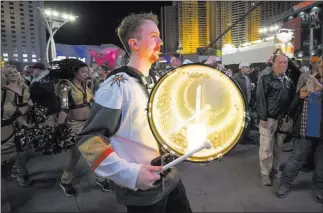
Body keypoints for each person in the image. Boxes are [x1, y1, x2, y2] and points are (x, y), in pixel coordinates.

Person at [77, 13, 192, 213]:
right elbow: (89, 141)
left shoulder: (155, 80)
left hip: (171, 178)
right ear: (134, 43)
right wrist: (130, 173)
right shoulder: (116, 86)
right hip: (143, 190)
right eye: (153, 36)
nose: (160, 41)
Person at [48, 59, 110, 196]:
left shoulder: (85, 85)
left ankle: (98, 178)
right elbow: (64, 109)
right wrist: (59, 128)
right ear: (74, 72)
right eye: (83, 71)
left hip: (88, 124)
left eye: (87, 71)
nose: (86, 73)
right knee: (80, 155)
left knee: (90, 152)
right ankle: (66, 181)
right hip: (74, 126)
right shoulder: (66, 87)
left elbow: (91, 102)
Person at [276, 55, 323, 203]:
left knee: (321, 165)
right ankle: (284, 184)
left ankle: (320, 188)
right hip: (308, 128)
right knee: (296, 160)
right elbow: (299, 99)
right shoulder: (311, 80)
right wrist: (301, 95)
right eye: (322, 65)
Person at [256, 54, 295, 186]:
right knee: (266, 147)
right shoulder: (265, 79)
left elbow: (291, 101)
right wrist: (262, 117)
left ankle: (275, 169)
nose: (283, 65)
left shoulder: (288, 81)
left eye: (285, 62)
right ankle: (265, 173)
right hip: (268, 119)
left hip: (282, 121)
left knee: (278, 148)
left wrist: (289, 119)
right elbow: (260, 99)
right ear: (273, 64)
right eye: (280, 62)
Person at [1, 64, 30, 212]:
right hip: (8, 127)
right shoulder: (3, 90)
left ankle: (21, 172)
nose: (13, 74)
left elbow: (27, 105)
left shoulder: (24, 86)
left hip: (21, 124)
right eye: (9, 72)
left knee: (22, 151)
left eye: (14, 71)